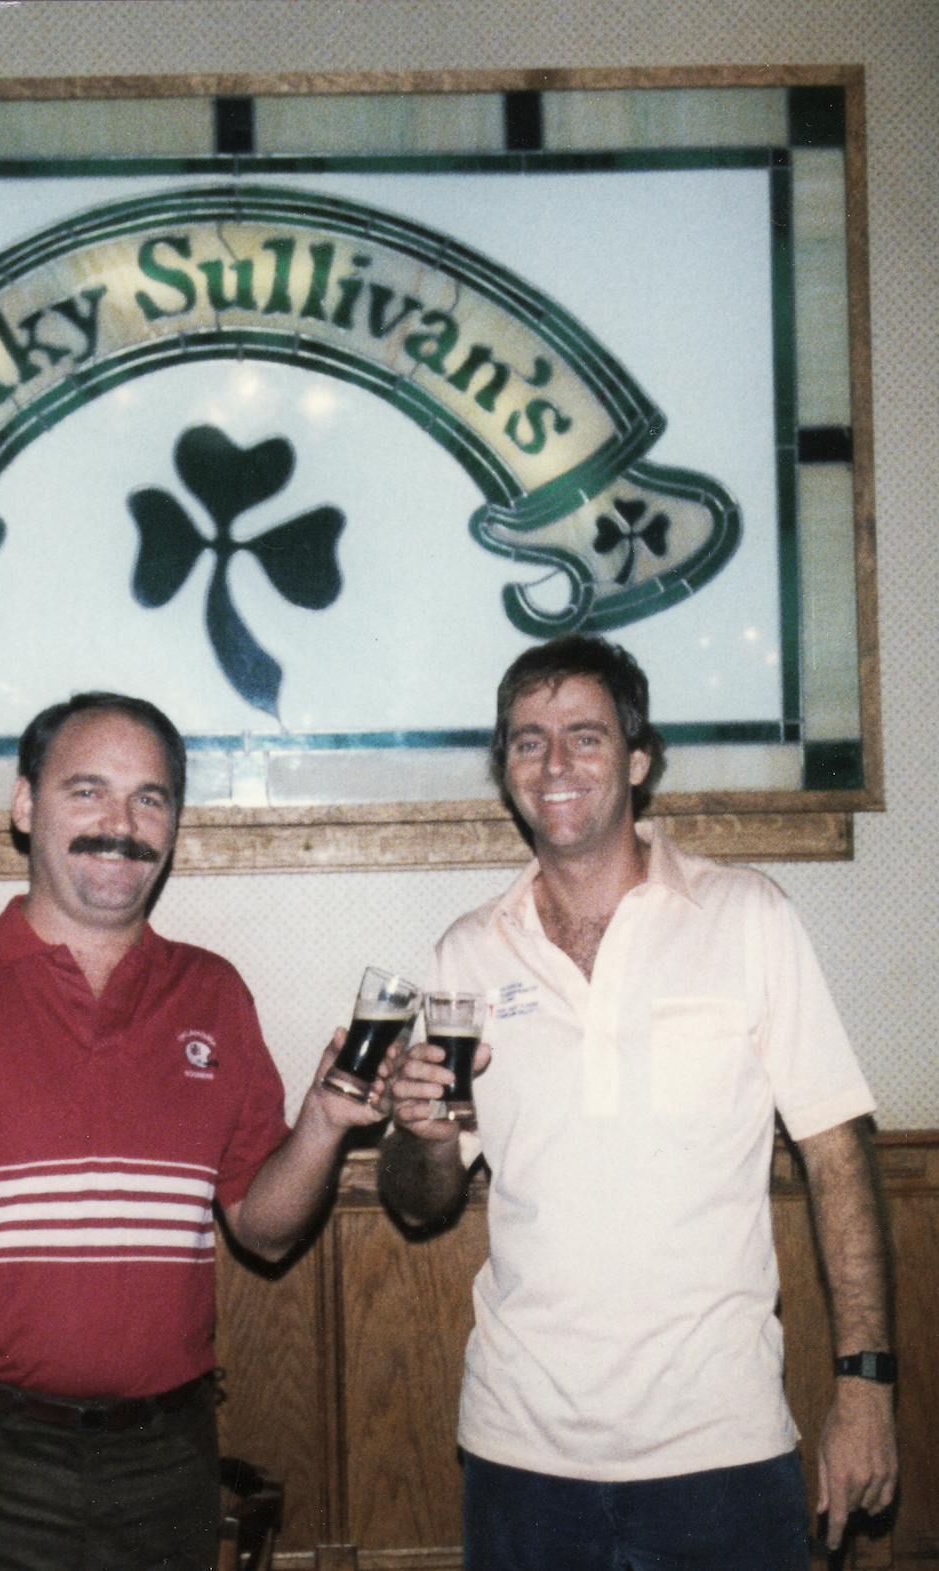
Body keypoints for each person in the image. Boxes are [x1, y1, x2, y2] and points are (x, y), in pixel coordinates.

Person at [0, 691, 384, 1571]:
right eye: (87, 791)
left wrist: (320, 1126)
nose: (120, 824)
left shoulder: (215, 994)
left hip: (167, 1465)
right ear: (23, 805)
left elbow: (264, 1232)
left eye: (150, 798)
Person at [378, 635, 897, 1571]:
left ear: (639, 758)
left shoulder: (749, 917)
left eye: (585, 735)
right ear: (506, 770)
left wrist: (865, 1385)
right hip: (518, 1448)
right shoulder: (468, 951)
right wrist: (418, 1134)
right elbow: (425, 1202)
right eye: (528, 740)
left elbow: (837, 1151)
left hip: (723, 1443)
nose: (556, 763)